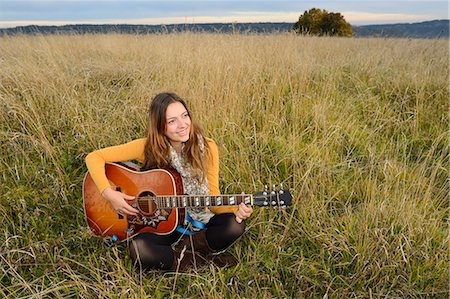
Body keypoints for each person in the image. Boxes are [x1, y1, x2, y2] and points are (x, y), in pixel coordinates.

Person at [85, 92, 253, 271]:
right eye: (172, 121)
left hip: (197, 219)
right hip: (159, 225)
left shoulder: (208, 148)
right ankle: (198, 257)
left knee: (234, 225)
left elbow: (213, 197)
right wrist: (109, 194)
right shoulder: (148, 147)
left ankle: (182, 258)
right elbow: (94, 157)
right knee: (139, 249)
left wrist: (235, 208)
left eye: (185, 116)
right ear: (160, 127)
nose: (183, 125)